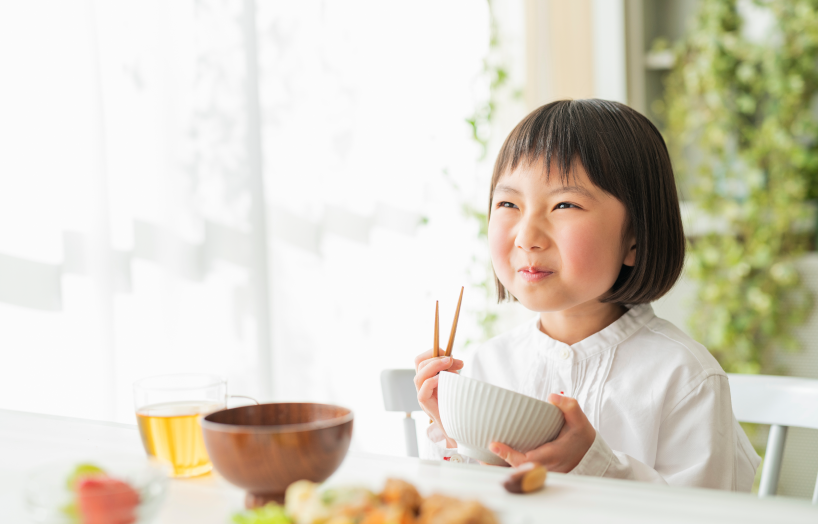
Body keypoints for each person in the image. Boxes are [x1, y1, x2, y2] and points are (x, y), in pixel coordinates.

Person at [413, 99, 761, 491]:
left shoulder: (684, 378)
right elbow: (459, 503)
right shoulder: (486, 367)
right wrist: (453, 431)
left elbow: (707, 516)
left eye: (564, 204)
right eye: (509, 203)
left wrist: (592, 463)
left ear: (635, 238)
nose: (527, 236)